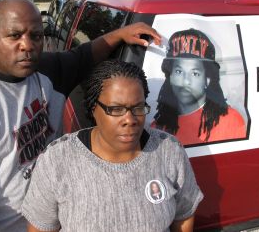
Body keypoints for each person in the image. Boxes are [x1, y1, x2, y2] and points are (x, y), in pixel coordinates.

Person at [0, 0, 161, 232]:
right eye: (14, 36)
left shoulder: (47, 71)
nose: (27, 45)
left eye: (36, 36)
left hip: (60, 220)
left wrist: (121, 34)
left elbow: (84, 56)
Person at [22, 60, 203, 232]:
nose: (130, 120)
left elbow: (184, 215)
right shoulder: (57, 160)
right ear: (94, 109)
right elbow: (40, 227)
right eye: (116, 109)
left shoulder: (169, 151)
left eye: (138, 108)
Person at [151, 28, 246, 145]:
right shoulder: (157, 128)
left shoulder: (230, 120)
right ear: (169, 76)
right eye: (179, 71)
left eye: (195, 73)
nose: (186, 81)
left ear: (208, 78)